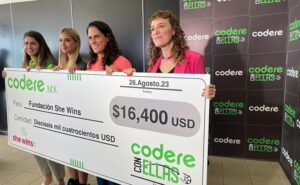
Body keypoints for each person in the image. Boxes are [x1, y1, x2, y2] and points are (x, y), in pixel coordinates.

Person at [2, 31, 65, 185]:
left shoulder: (49, 62)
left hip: (47, 115)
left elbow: (56, 89)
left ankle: (61, 180)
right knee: (35, 147)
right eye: (26, 43)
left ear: (40, 44)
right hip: (32, 115)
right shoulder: (28, 62)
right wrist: (9, 76)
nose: (28, 47)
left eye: (32, 43)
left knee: (50, 150)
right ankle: (47, 177)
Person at [124, 10, 216, 98]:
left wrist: (208, 93)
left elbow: (201, 98)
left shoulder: (195, 59)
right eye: (152, 29)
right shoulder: (154, 64)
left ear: (173, 31)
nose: (155, 32)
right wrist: (132, 79)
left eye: (161, 26)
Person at [87, 20, 132, 185]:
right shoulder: (90, 64)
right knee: (101, 174)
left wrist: (118, 76)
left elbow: (130, 98)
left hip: (116, 130)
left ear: (107, 37)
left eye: (97, 36)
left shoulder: (122, 61)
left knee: (116, 177)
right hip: (96, 127)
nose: (93, 41)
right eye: (90, 38)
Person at [57, 28, 87, 185]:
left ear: (76, 42)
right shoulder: (61, 64)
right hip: (64, 114)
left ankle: (82, 183)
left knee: (80, 153)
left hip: (77, 116)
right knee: (68, 151)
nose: (63, 43)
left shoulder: (82, 64)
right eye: (61, 40)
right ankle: (73, 181)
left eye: (67, 40)